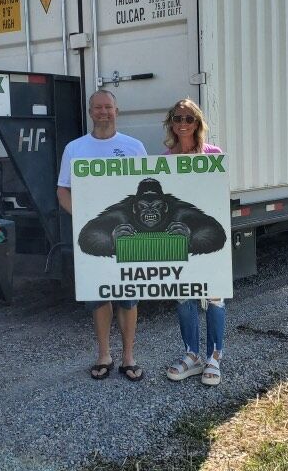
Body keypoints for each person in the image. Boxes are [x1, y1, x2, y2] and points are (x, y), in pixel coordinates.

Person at [57, 89, 147, 381]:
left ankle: (129, 357)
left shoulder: (134, 147)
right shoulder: (75, 148)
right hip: (92, 237)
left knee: (128, 295)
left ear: (116, 111)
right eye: (98, 107)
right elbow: (63, 190)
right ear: (90, 112)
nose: (103, 112)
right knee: (99, 295)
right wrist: (80, 218)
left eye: (108, 107)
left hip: (128, 235)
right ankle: (104, 354)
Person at [162, 98, 227, 386]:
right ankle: (191, 354)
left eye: (189, 119)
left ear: (198, 123)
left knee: (214, 296)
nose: (183, 124)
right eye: (178, 118)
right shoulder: (164, 159)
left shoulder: (213, 155)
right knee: (184, 295)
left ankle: (215, 356)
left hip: (207, 238)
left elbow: (218, 196)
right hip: (177, 240)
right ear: (171, 123)